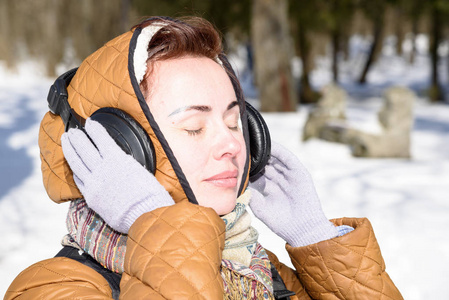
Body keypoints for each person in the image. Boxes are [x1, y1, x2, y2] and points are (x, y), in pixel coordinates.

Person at [5, 16, 403, 299]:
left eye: (234, 123)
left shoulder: (260, 274)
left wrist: (317, 242)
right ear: (122, 146)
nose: (232, 146)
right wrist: (154, 222)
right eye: (193, 127)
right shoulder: (52, 288)